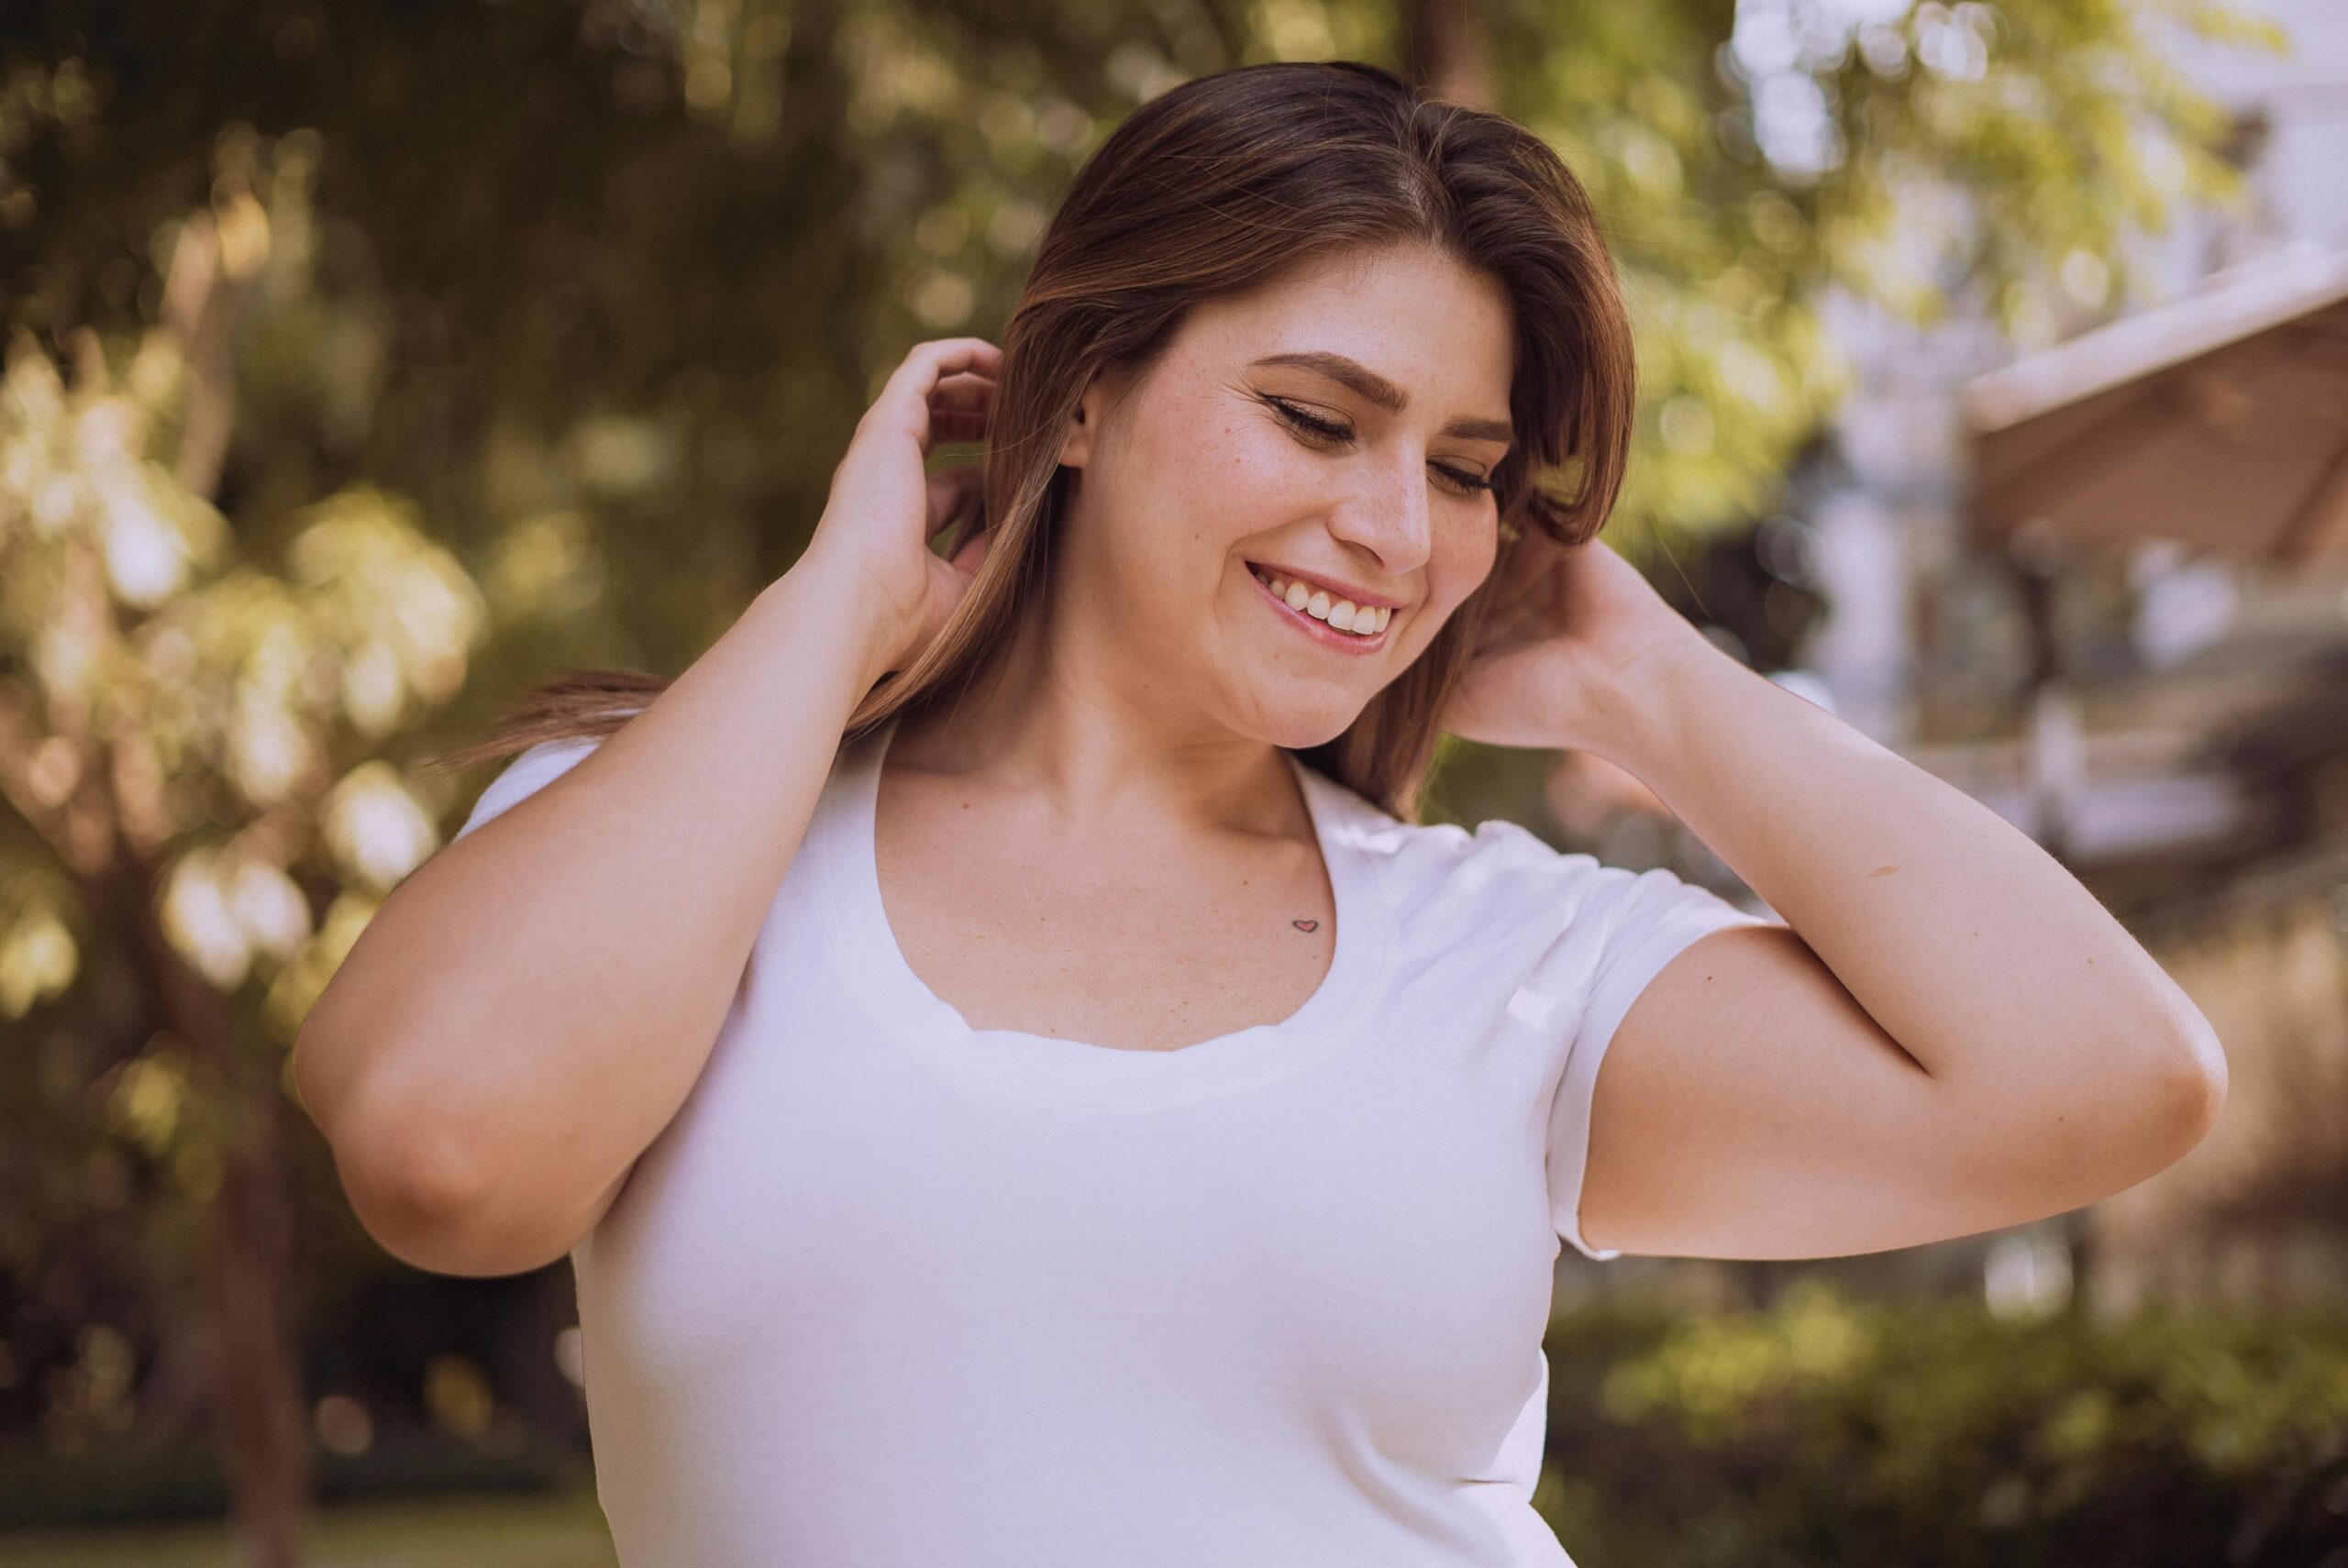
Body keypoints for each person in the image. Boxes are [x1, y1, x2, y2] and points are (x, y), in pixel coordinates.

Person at [293, 60, 2227, 1568]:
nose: (1396, 529)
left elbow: (2104, 1079)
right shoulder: (678, 848)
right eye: (1316, 420)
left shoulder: (1496, 955)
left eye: (1464, 469)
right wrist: (838, 604)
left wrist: (1656, 688)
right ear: (1076, 397)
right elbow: (443, 1153)